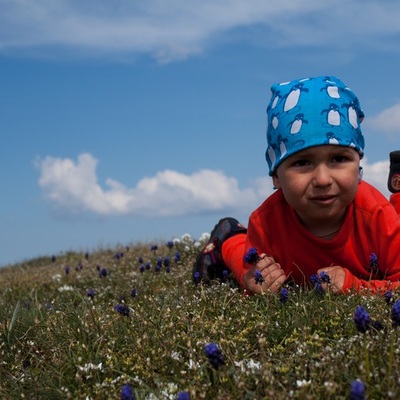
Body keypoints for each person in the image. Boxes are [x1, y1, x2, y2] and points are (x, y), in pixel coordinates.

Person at [193, 75, 400, 295]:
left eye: (339, 159)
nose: (322, 179)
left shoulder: (378, 214)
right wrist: (255, 285)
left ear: (358, 164)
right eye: (302, 162)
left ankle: (231, 237)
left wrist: (355, 287)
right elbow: (256, 286)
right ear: (276, 177)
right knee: (244, 267)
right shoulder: (265, 222)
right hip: (272, 256)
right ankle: (227, 239)